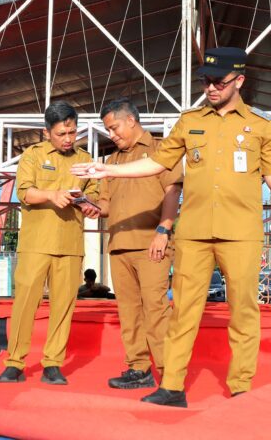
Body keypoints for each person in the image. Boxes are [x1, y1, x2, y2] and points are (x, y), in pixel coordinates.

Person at [72, 47, 271, 407]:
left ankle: (240, 388)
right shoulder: (188, 122)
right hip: (194, 234)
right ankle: (172, 386)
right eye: (206, 81)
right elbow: (157, 164)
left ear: (239, 81)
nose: (211, 87)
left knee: (243, 312)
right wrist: (108, 169)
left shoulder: (260, 125)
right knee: (183, 311)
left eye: (218, 81)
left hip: (240, 233)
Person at [0, 101, 100, 386]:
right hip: (36, 243)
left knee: (63, 306)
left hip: (70, 244)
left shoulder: (85, 159)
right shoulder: (32, 155)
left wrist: (90, 206)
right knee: (25, 304)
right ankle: (15, 363)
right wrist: (52, 195)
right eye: (61, 134)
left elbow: (94, 194)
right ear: (47, 133)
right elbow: (24, 192)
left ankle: (53, 363)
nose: (68, 139)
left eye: (72, 132)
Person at [97, 98, 183, 390]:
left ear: (131, 120)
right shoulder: (112, 161)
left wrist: (164, 230)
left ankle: (169, 375)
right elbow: (105, 204)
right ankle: (139, 369)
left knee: (156, 309)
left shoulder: (161, 150)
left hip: (151, 243)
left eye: (114, 127)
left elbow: (172, 193)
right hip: (119, 245)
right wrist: (90, 205)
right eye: (108, 130)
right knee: (129, 312)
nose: (112, 134)